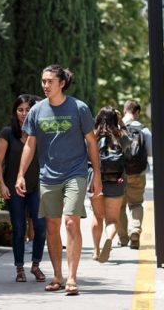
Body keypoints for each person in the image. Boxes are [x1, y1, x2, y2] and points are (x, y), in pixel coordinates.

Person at [15, 65, 101, 296]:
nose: (45, 85)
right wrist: (21, 174)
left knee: (71, 222)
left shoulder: (79, 108)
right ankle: (58, 276)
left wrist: (98, 176)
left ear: (61, 83)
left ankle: (72, 278)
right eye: (43, 81)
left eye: (50, 81)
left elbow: (91, 142)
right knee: (51, 226)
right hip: (48, 175)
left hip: (75, 173)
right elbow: (30, 144)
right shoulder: (37, 111)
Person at [0, 94, 47, 282]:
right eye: (20, 110)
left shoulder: (40, 133)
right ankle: (19, 268)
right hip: (14, 189)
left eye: (28, 110)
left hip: (37, 187)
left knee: (40, 228)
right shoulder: (8, 133)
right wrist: (1, 184)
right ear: (15, 112)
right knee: (18, 228)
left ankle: (36, 265)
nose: (24, 113)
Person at [88, 106, 129, 263]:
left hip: (95, 180)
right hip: (116, 180)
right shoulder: (120, 136)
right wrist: (121, 122)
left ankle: (96, 250)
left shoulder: (92, 135)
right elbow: (130, 142)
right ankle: (109, 239)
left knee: (97, 216)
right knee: (112, 219)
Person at [116, 100, 150, 249]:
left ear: (124, 111)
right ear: (137, 113)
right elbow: (150, 152)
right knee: (136, 203)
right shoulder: (144, 130)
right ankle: (135, 230)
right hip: (138, 173)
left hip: (118, 174)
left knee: (119, 206)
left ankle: (123, 238)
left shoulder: (115, 128)